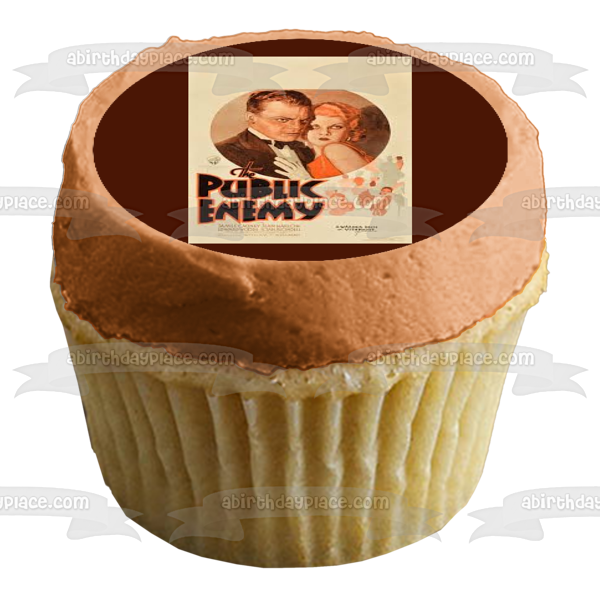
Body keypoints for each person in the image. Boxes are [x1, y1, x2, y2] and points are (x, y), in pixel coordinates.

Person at [215, 90, 315, 179]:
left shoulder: (305, 150)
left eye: (303, 121)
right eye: (282, 120)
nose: (297, 127)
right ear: (251, 118)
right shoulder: (226, 151)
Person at [274, 102, 373, 179]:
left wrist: (306, 180)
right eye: (315, 126)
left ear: (350, 131)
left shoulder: (336, 149)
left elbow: (365, 185)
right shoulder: (308, 154)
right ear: (305, 129)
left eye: (336, 127)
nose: (324, 132)